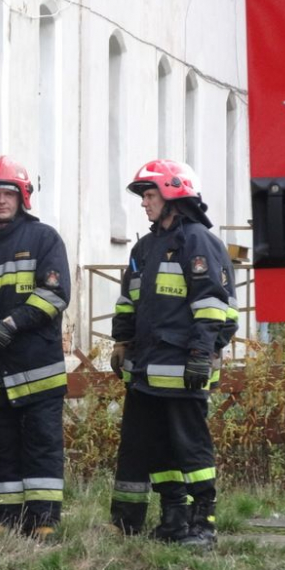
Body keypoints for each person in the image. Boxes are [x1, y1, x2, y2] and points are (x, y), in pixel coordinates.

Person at [109, 159, 239, 549]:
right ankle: (173, 519)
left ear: (173, 195)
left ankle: (204, 524)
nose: (144, 203)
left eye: (150, 195)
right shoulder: (145, 247)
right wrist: (120, 342)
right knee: (159, 448)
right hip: (147, 371)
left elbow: (213, 305)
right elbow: (127, 301)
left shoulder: (198, 242)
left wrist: (202, 353)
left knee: (191, 446)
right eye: (144, 196)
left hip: (185, 368)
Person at [0, 156, 71, 541]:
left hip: (37, 369)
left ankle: (43, 520)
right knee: (1, 447)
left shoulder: (44, 239)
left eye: (9, 193)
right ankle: (5, 520)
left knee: (41, 446)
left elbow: (55, 295)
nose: (1, 201)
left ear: (22, 197)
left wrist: (12, 324)